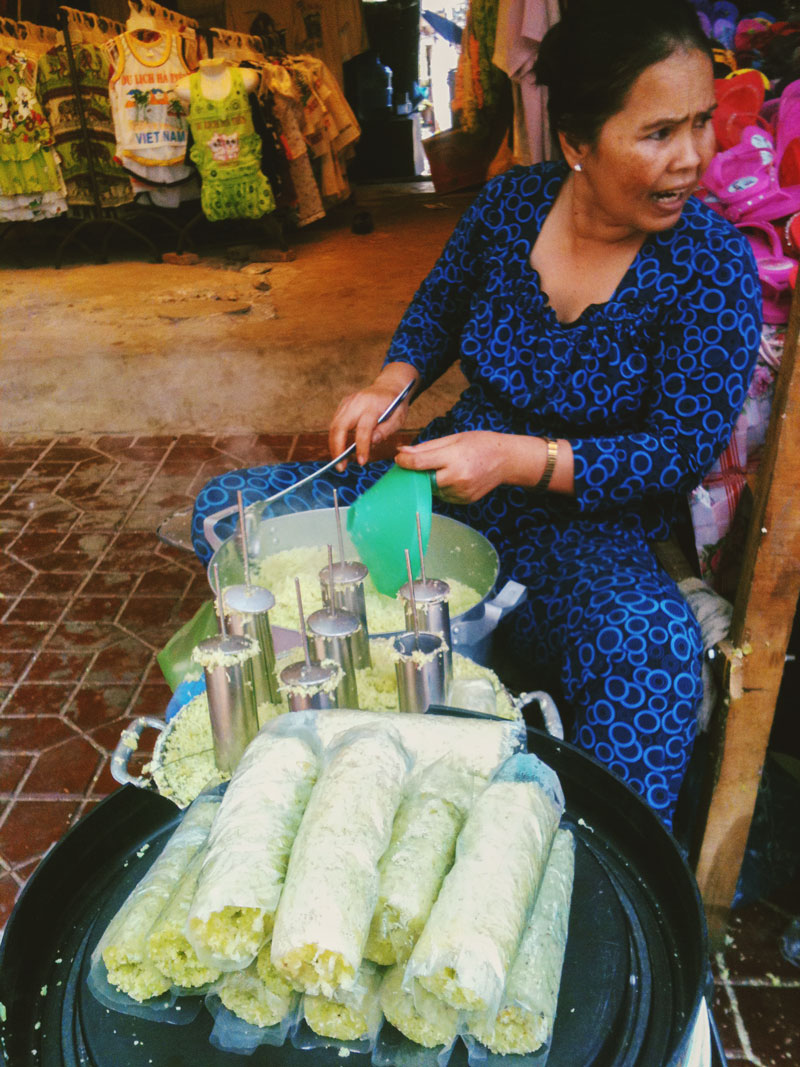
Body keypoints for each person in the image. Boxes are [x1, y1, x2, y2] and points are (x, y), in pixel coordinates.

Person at [192, 0, 761, 829]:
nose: (693, 159)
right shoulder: (508, 209)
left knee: (655, 654)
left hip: (590, 527)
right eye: (659, 133)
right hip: (446, 484)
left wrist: (520, 458)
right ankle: (327, 730)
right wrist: (386, 390)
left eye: (702, 125)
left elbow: (674, 452)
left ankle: (580, 856)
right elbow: (435, 315)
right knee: (229, 514)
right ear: (575, 142)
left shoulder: (710, 266)